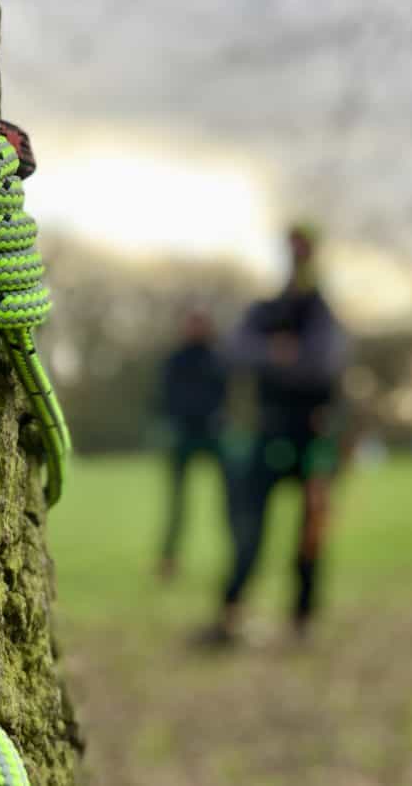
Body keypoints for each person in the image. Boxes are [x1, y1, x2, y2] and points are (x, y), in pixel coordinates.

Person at [198, 223, 350, 644]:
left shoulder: (322, 313)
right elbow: (234, 351)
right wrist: (283, 354)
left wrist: (280, 357)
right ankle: (230, 614)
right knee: (249, 532)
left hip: (316, 436)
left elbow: (323, 364)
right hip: (269, 433)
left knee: (311, 532)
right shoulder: (266, 311)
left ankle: (302, 620)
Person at [156, 308, 229, 581]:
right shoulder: (175, 360)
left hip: (212, 434)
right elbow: (166, 396)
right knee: (177, 504)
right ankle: (168, 560)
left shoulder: (218, 359)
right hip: (183, 435)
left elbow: (224, 393)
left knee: (229, 499)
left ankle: (231, 557)